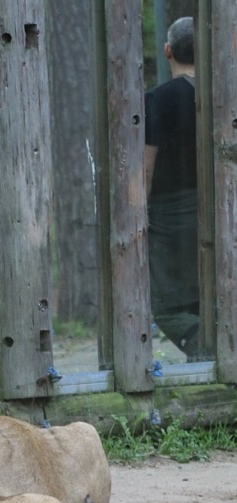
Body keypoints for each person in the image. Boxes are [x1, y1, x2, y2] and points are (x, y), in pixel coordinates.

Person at [145, 17, 199, 360]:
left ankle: (203, 348)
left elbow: (145, 166)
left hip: (168, 219)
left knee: (167, 305)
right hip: (218, 213)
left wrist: (138, 215)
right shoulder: (223, 97)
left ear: (167, 51)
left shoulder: (158, 99)